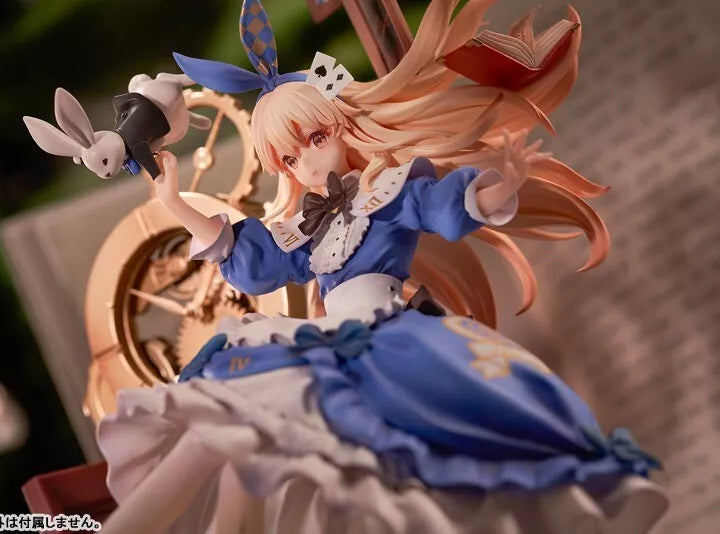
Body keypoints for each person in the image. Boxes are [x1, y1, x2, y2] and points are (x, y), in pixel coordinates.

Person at [96, 0, 668, 532]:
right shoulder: (308, 229)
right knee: (231, 431)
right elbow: (257, 265)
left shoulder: (388, 193)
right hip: (329, 342)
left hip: (389, 337)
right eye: (289, 159)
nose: (306, 164)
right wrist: (173, 203)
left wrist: (501, 187)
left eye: (314, 138)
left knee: (407, 460)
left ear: (342, 127)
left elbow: (445, 208)